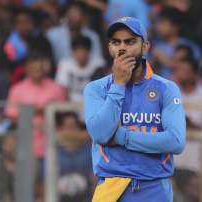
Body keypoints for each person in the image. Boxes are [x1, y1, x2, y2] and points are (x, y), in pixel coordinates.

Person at [84, 17, 186, 201]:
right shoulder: (96, 89)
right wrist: (118, 85)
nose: (122, 48)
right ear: (109, 48)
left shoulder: (166, 88)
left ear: (145, 46)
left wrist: (122, 137)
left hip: (155, 189)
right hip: (111, 188)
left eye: (130, 42)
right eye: (116, 42)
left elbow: (175, 141)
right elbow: (100, 134)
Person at [56, 36, 99, 103]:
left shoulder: (98, 65)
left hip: (91, 105)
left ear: (89, 52)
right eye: (78, 51)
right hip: (70, 106)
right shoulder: (65, 65)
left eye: (83, 50)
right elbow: (62, 90)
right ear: (72, 52)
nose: (81, 54)